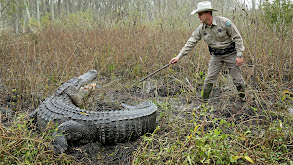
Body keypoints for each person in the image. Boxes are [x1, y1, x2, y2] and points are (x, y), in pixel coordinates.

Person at [170, 1, 245, 102]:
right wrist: (179, 56)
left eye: (200, 14)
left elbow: (237, 38)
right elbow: (190, 42)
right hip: (216, 56)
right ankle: (204, 103)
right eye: (198, 14)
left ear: (208, 13)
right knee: (209, 79)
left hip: (230, 54)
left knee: (238, 80)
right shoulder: (201, 29)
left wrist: (239, 55)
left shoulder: (224, 23)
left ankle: (243, 101)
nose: (198, 16)